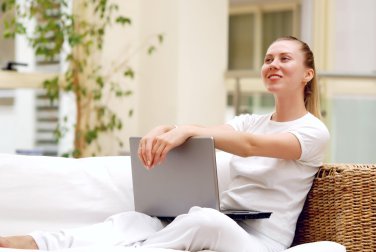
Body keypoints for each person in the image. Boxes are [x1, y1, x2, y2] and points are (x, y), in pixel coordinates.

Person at [0, 36, 329, 252]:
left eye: (284, 58)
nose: (273, 65)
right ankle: (31, 243)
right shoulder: (249, 120)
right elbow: (206, 132)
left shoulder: (313, 132)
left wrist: (184, 129)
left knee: (204, 220)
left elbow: (249, 146)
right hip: (228, 220)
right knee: (134, 220)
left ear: (307, 75)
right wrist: (168, 130)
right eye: (269, 58)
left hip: (261, 242)